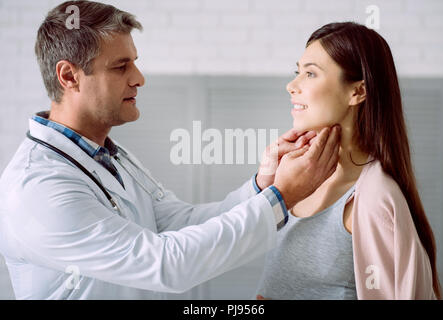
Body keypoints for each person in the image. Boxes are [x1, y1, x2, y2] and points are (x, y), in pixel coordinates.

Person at [0, 1, 341, 299]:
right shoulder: (39, 187)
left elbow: (179, 224)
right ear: (69, 76)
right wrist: (282, 198)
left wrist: (263, 186)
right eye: (121, 67)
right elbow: (166, 262)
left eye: (134, 62)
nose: (139, 78)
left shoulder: (108, 156)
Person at [256, 22, 441, 300]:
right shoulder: (292, 174)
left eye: (310, 73)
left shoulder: (375, 197)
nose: (292, 85)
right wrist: (265, 183)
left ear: (358, 92)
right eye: (298, 72)